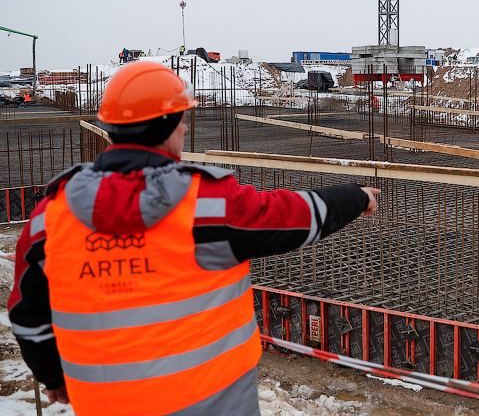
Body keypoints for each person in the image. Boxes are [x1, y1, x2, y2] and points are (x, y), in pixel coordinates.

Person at [8, 61, 379, 415]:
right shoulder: (204, 204)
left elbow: (27, 314)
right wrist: (355, 197)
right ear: (166, 124)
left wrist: (52, 376)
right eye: (182, 120)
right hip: (211, 402)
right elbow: (289, 216)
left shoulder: (51, 215)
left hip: (101, 406)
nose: (185, 129)